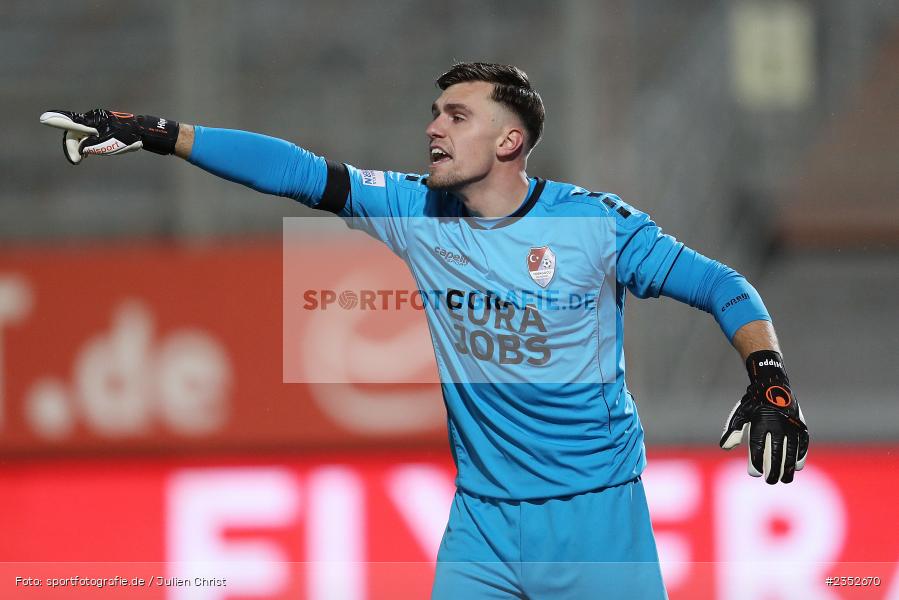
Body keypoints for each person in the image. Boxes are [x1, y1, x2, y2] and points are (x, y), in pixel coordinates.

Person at [41, 62, 808, 599]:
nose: (433, 128)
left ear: (509, 142)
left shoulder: (590, 225)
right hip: (480, 520)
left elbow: (720, 284)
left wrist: (766, 375)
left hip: (595, 517)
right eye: (435, 113)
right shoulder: (414, 210)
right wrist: (162, 131)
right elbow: (301, 172)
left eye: (456, 116)